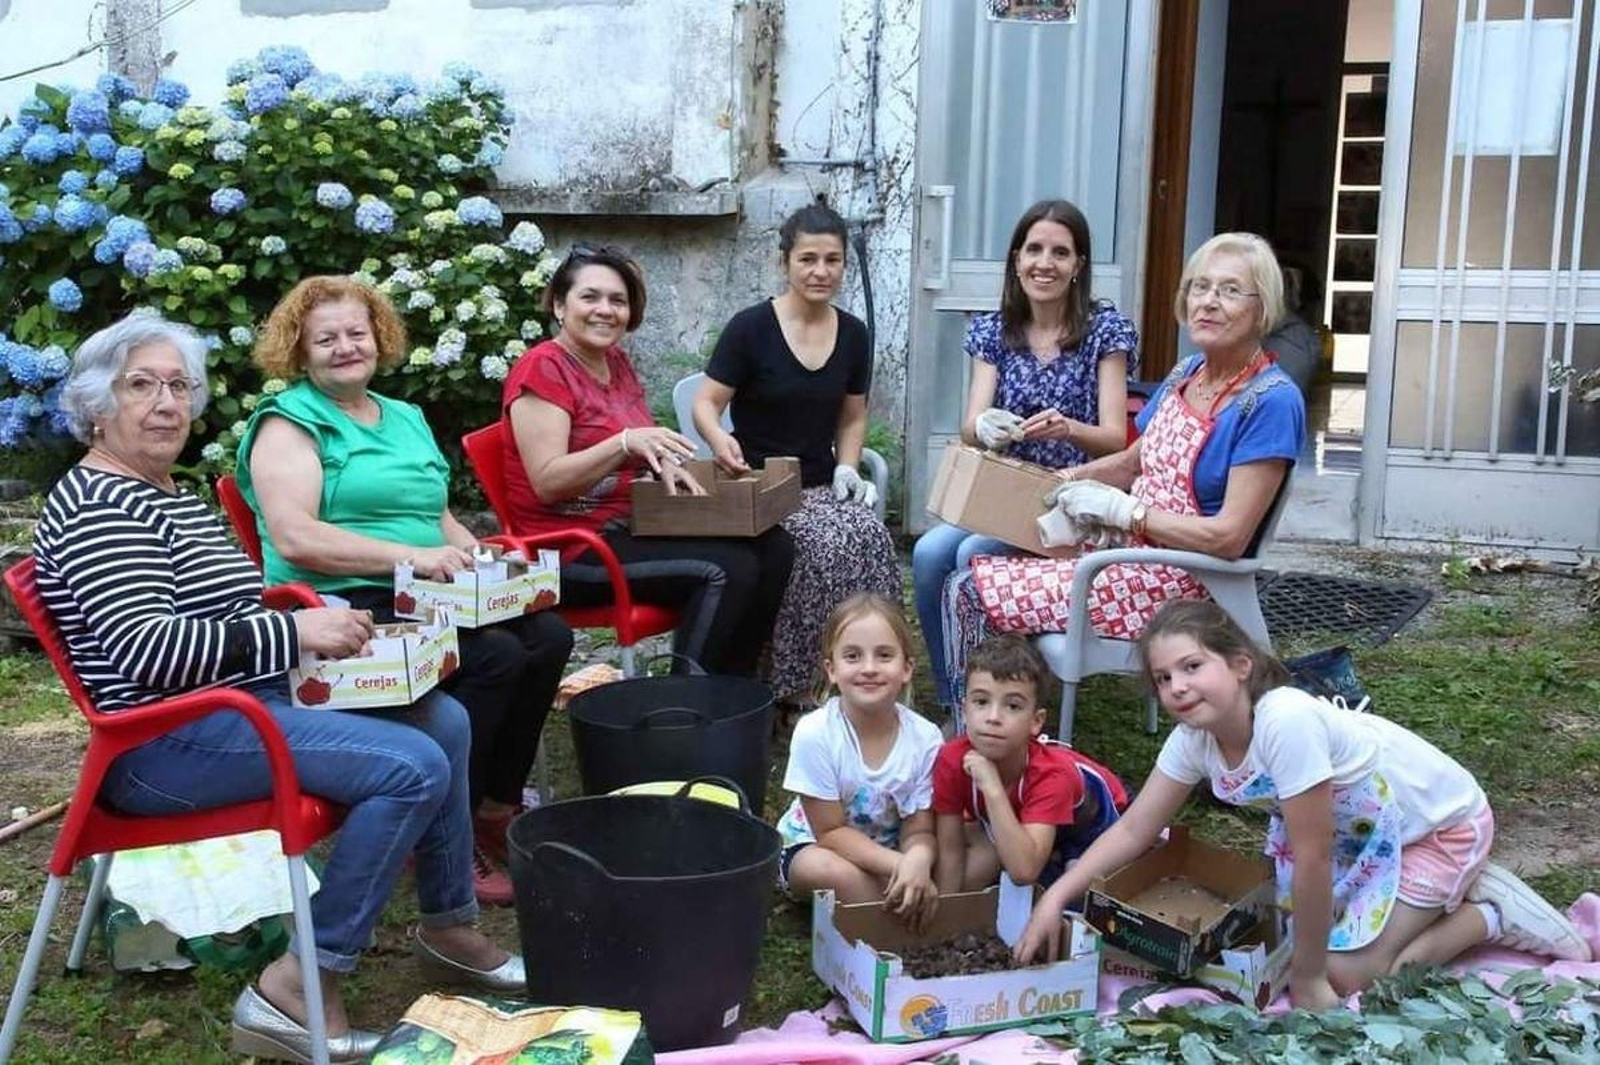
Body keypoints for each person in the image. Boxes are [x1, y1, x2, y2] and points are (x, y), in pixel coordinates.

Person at [33, 314, 523, 1063]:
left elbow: (223, 612)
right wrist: (295, 634)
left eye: (179, 386)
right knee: (410, 765)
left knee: (443, 719)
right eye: (142, 386)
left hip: (231, 705)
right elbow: (148, 650)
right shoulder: (103, 503)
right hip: (162, 741)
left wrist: (321, 625)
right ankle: (297, 982)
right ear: (98, 407)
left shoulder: (160, 490)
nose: (167, 403)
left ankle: (448, 926)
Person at [1013, 600, 1593, 1007]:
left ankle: (1486, 913)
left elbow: (1312, 855)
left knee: (1347, 974)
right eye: (1163, 679)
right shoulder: (1195, 739)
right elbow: (1135, 829)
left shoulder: (1284, 720)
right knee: (1277, 946)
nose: (1178, 687)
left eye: (1192, 666)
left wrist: (1312, 979)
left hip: (1435, 829)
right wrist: (1055, 899)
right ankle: (1424, 909)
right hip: (1354, 840)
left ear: (1240, 666)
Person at [236, 276, 574, 907]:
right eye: (326, 339)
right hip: (342, 600)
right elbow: (296, 537)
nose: (345, 347)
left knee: (549, 635)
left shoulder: (405, 417)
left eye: (356, 333)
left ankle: (495, 805)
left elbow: (434, 517)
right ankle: (445, 833)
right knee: (494, 655)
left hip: (423, 587)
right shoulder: (289, 424)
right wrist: (412, 557)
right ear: (299, 351)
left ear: (379, 337)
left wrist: (479, 560)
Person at [939, 232, 1306, 698]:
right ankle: (1008, 717)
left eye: (1230, 291)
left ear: (1263, 307)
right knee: (979, 558)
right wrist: (1065, 482)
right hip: (1125, 556)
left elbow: (1228, 537)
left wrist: (1126, 513)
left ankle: (983, 728)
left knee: (967, 592)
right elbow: (1134, 461)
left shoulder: (1271, 401)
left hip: (1179, 581)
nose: (1209, 302)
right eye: (1200, 287)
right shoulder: (1188, 373)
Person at [500, 244, 794, 677]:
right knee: (725, 569)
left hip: (630, 525)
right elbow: (548, 481)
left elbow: (641, 441)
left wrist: (662, 462)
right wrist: (623, 444)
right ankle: (685, 704)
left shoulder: (615, 362)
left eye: (617, 300)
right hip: (566, 552)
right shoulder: (542, 369)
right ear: (560, 306)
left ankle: (734, 691)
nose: (605, 310)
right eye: (590, 297)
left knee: (775, 546)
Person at [913, 199, 1138, 715]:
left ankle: (1007, 696)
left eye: (1060, 252)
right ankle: (957, 697)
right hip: (1006, 491)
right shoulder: (995, 330)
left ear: (1079, 264)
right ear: (1016, 259)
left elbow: (1115, 439)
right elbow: (970, 425)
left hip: (1072, 501)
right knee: (928, 554)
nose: (1045, 263)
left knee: (974, 552)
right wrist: (985, 426)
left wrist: (1069, 428)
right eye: (1034, 249)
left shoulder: (1104, 332)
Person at [693, 204, 901, 711]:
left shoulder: (853, 334)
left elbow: (852, 416)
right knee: (817, 546)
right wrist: (719, 440)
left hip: (821, 482)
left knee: (870, 536)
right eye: (808, 259)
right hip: (760, 487)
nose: (820, 271)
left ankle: (868, 671)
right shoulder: (750, 328)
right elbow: (706, 403)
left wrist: (847, 465)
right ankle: (794, 686)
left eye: (832, 260)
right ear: (783, 260)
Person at [774, 594, 942, 930]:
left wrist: (918, 858)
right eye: (853, 656)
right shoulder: (815, 733)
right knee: (826, 870)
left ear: (907, 668)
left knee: (966, 849)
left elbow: (920, 828)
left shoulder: (926, 738)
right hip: (818, 846)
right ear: (832, 670)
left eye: (884, 655)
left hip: (891, 850)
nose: (869, 668)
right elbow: (830, 832)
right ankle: (901, 917)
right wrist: (900, 865)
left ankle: (894, 904)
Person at [932, 636, 1127, 892]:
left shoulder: (1051, 775)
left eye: (1013, 706)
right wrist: (944, 909)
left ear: (1036, 721)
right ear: (964, 710)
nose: (993, 717)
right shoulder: (951, 759)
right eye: (981, 702)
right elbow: (950, 849)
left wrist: (992, 787)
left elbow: (1024, 871)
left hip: (1096, 824)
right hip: (1033, 827)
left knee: (1072, 895)